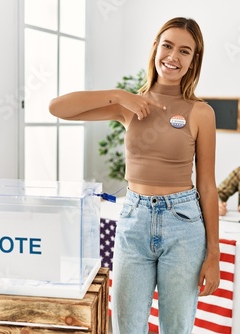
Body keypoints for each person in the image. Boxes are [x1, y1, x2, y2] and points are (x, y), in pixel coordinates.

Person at [49, 17, 220, 334]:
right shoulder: (128, 106)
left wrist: (214, 255)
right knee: (126, 325)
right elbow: (57, 108)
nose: (173, 57)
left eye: (185, 51)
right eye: (167, 46)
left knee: (176, 328)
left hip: (183, 224)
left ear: (194, 60)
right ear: (155, 48)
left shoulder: (201, 113)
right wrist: (118, 95)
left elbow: (208, 187)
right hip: (133, 219)